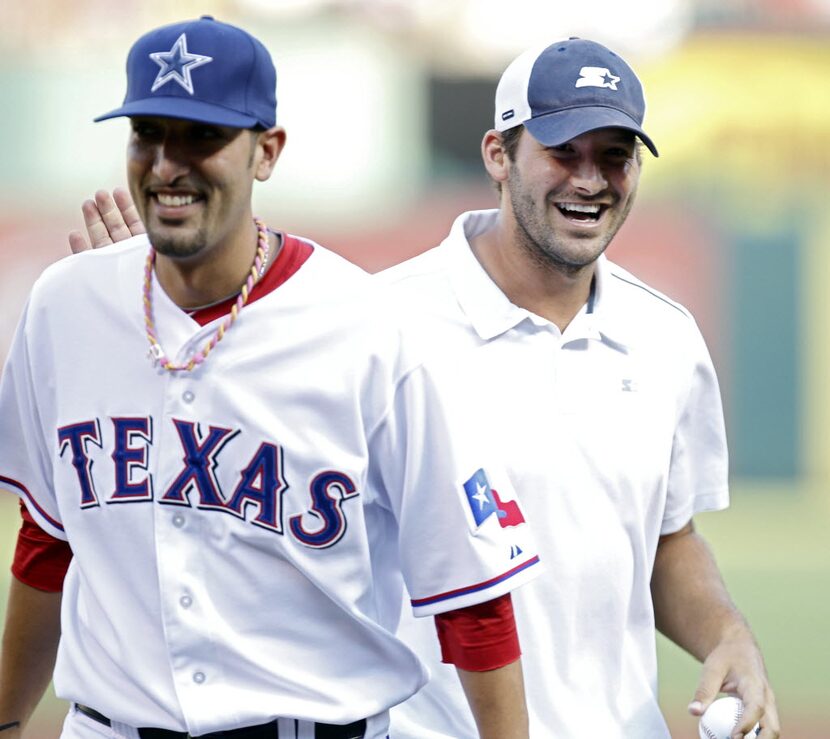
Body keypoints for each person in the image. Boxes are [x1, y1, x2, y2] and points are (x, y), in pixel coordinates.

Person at [63, 37, 781, 739]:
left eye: (615, 155)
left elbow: (667, 539)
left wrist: (730, 633)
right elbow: (216, 474)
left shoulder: (666, 338)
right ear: (498, 155)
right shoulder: (374, 322)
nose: (590, 179)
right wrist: (155, 306)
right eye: (564, 151)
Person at [0, 17, 542, 739]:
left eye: (202, 137)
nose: (167, 164)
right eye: (149, 133)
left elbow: (474, 602)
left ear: (267, 152)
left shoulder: (372, 329)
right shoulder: (65, 305)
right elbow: (49, 538)